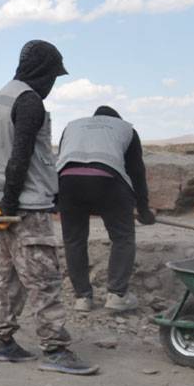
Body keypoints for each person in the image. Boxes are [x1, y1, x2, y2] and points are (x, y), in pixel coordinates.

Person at [0, 39, 98, 375]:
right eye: (53, 77)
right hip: (25, 207)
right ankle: (55, 348)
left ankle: (3, 342)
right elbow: (20, 157)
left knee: (9, 278)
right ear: (43, 71)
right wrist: (11, 203)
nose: (52, 85)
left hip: (3, 204)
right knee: (44, 279)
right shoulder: (28, 101)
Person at [57, 106, 155, 312]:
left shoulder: (72, 127)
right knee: (123, 237)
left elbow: (61, 160)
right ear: (116, 120)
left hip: (67, 182)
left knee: (74, 240)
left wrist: (55, 199)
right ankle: (117, 295)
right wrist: (143, 209)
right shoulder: (125, 129)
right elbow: (136, 171)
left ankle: (82, 298)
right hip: (109, 182)